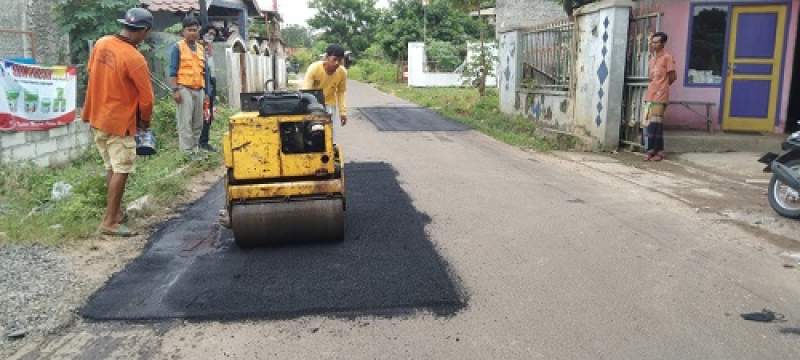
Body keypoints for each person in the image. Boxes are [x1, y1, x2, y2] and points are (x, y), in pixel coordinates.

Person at [82, 7, 154, 236]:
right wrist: (144, 123)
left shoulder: (101, 44)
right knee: (122, 168)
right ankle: (109, 221)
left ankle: (116, 213)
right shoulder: (135, 58)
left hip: (97, 117)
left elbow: (91, 71)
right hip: (119, 122)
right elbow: (147, 100)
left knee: (112, 167)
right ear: (143, 30)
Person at [168, 16, 208, 155]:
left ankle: (195, 149)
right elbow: (172, 71)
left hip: (199, 89)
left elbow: (205, 72)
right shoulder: (177, 47)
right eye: (189, 30)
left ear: (198, 31)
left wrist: (206, 92)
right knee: (185, 122)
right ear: (183, 31)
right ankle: (187, 152)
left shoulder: (201, 48)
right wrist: (175, 90)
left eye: (195, 30)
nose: (192, 32)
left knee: (198, 122)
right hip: (184, 88)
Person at [643, 32, 676, 161]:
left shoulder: (667, 57)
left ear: (663, 43)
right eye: (653, 42)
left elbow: (673, 77)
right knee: (650, 124)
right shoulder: (652, 59)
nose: (654, 44)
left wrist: (662, 88)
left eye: (657, 42)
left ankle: (658, 151)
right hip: (650, 95)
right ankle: (651, 150)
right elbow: (651, 78)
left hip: (660, 95)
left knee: (657, 124)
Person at [302, 44, 348, 127]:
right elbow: (306, 91)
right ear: (327, 57)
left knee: (328, 131)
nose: (337, 63)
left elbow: (341, 92)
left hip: (329, 104)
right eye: (334, 59)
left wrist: (342, 112)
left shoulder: (342, 72)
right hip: (313, 103)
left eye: (340, 60)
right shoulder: (314, 68)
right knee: (313, 129)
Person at [198, 25, 218, 152]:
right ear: (203, 33)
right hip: (201, 85)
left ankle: (204, 142)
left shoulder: (209, 48)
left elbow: (211, 68)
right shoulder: (197, 47)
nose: (211, 36)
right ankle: (199, 143)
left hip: (210, 84)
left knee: (208, 115)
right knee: (201, 115)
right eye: (209, 33)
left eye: (213, 35)